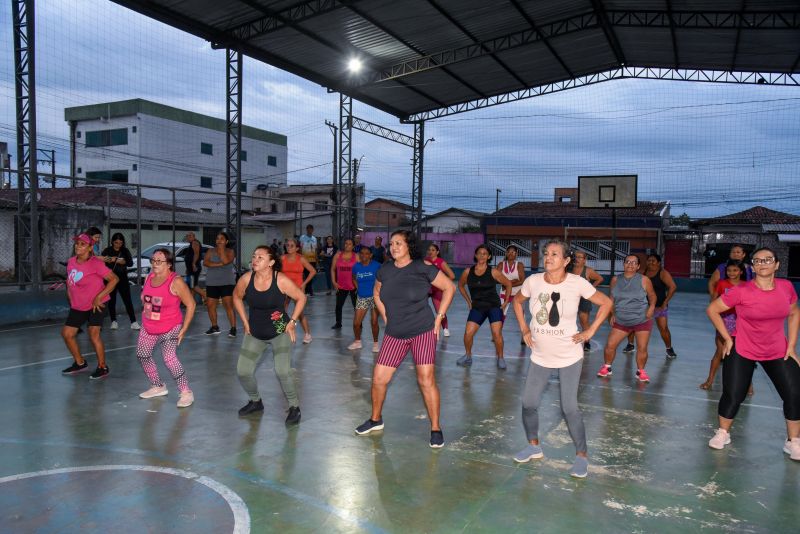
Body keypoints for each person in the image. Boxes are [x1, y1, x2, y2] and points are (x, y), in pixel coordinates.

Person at [511, 239, 612, 478]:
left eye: (555, 254)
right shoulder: (533, 281)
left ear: (566, 260)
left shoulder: (577, 283)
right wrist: (524, 328)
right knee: (528, 403)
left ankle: (581, 456)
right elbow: (517, 301)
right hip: (540, 356)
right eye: (546, 253)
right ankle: (534, 446)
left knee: (569, 408)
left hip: (569, 356)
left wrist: (590, 331)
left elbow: (606, 302)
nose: (548, 257)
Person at [355, 230, 455, 448]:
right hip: (395, 333)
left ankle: (435, 428)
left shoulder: (422, 267)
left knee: (426, 379)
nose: (393, 247)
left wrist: (439, 317)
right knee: (379, 379)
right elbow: (376, 293)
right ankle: (376, 419)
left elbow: (450, 287)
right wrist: (385, 315)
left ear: (409, 245)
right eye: (391, 244)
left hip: (422, 331)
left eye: (398, 243)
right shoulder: (385, 270)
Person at [706, 247, 800, 460]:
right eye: (758, 261)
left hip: (776, 348)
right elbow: (712, 309)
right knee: (734, 394)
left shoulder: (786, 287)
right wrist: (728, 338)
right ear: (753, 267)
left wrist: (792, 345)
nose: (762, 263)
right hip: (743, 347)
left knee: (794, 393)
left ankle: (793, 441)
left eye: (768, 259)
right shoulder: (742, 290)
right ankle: (723, 433)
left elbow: (794, 312)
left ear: (776, 264)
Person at [233, 246, 307, 424]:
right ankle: (255, 402)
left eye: (260, 257)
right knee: (243, 371)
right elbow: (236, 297)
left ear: (271, 262)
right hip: (255, 331)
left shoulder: (280, 280)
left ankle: (294, 407)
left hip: (280, 329)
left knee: (282, 371)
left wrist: (292, 321)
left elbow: (301, 297)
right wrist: (244, 321)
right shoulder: (246, 279)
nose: (255, 260)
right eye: (254, 256)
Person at [136, 248, 197, 408]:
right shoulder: (149, 277)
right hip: (149, 325)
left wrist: (184, 328)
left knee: (169, 358)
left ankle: (186, 392)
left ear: (169, 264)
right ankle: (158, 386)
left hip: (170, 326)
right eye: (153, 260)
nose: (154, 264)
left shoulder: (176, 282)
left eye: (159, 261)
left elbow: (191, 304)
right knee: (142, 354)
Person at [61, 233, 119, 379]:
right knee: (67, 334)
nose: (78, 246)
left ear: (90, 248)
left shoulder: (95, 264)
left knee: (93, 333)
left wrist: (99, 297)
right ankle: (80, 363)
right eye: (77, 243)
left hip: (96, 304)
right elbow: (70, 281)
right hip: (79, 304)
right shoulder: (71, 262)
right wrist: (70, 297)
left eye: (83, 244)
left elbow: (114, 279)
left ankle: (102, 367)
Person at [597, 254, 657, 382]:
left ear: (638, 266)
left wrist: (651, 307)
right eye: (628, 262)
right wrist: (612, 314)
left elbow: (652, 295)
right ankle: (607, 367)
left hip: (641, 319)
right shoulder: (615, 280)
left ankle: (641, 371)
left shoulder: (644, 279)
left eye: (634, 262)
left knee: (642, 347)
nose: (630, 264)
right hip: (621, 320)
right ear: (623, 264)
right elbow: (612, 299)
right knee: (610, 345)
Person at [457, 244, 513, 369]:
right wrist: (468, 301)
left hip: (494, 307)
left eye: (484, 254)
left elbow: (508, 284)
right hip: (477, 307)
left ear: (489, 256)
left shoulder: (493, 272)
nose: (482, 256)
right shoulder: (467, 272)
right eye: (479, 253)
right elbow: (460, 285)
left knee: (496, 333)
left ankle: (500, 358)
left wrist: (506, 301)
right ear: (475, 255)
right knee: (468, 333)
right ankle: (468, 356)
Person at [701, 260, 745, 390]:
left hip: (741, 321)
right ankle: (709, 380)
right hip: (724, 320)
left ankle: (748, 384)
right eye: (729, 270)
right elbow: (714, 300)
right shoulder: (721, 283)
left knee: (743, 353)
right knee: (720, 351)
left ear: (741, 272)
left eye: (735, 270)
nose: (732, 273)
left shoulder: (746, 286)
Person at [637, 253, 679, 359]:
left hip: (659, 306)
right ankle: (630, 344)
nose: (650, 262)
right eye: (649, 260)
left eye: (653, 261)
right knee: (634, 325)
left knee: (663, 328)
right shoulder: (642, 272)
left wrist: (665, 303)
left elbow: (673, 287)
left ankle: (669, 348)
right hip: (644, 306)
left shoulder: (663, 273)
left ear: (659, 263)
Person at [101, 232, 139, 331]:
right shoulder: (107, 250)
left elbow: (130, 263)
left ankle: (133, 322)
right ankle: (113, 321)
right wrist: (112, 260)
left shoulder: (125, 251)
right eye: (116, 243)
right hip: (110, 279)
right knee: (112, 300)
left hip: (123, 279)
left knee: (127, 300)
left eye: (120, 243)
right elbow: (101, 261)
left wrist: (123, 261)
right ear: (112, 242)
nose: (118, 245)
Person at [281, 238, 315, 344]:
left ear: (297, 248)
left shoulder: (301, 259)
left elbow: (313, 271)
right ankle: (283, 332)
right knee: (281, 311)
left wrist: (304, 284)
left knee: (299, 313)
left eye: (292, 246)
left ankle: (307, 335)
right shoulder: (282, 258)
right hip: (285, 288)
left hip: (297, 289)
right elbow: (276, 271)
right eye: (287, 245)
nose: (289, 247)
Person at [203, 231, 237, 337]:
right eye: (217, 238)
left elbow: (226, 261)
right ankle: (215, 327)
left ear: (226, 241)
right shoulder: (210, 251)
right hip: (212, 282)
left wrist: (221, 250)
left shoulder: (230, 251)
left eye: (222, 239)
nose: (219, 240)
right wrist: (219, 264)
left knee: (228, 306)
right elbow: (205, 262)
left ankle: (233, 328)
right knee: (210, 306)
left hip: (227, 282)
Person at [349, 246, 381, 352]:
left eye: (366, 253)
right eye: (361, 253)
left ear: (370, 255)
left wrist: (379, 290)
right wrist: (358, 288)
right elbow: (353, 278)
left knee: (374, 322)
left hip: (375, 297)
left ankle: (375, 344)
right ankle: (357, 342)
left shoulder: (377, 266)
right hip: (362, 297)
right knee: (356, 323)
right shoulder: (356, 266)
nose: (364, 255)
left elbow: (384, 279)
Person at [569, 251, 603, 351]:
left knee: (584, 321)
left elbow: (600, 279)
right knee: (567, 320)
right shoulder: (568, 269)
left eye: (580, 257)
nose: (576, 259)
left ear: (584, 260)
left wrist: (590, 288)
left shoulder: (588, 271)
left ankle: (587, 343)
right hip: (570, 298)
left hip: (584, 299)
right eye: (575, 257)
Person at [498, 245, 527, 345]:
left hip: (518, 294)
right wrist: (513, 281)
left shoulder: (519, 265)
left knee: (521, 314)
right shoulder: (501, 264)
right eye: (509, 252)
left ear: (516, 254)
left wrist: (507, 284)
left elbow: (522, 280)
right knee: (501, 313)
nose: (511, 254)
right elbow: (497, 278)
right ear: (506, 253)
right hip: (504, 293)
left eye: (513, 252)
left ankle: (524, 336)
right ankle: (497, 334)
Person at [426, 243, 456, 337]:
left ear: (437, 252)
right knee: (418, 306)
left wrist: (442, 283)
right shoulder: (425, 261)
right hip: (426, 289)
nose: (430, 252)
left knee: (440, 309)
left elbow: (452, 276)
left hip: (437, 290)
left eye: (433, 250)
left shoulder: (441, 262)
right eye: (429, 250)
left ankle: (445, 328)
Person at [331, 238, 358, 329]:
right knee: (338, 306)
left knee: (356, 306)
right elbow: (332, 269)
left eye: (350, 244)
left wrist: (359, 285)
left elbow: (361, 270)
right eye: (346, 243)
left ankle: (359, 323)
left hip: (354, 285)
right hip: (341, 285)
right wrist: (334, 282)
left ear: (353, 246)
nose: (347, 245)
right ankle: (338, 323)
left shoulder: (356, 256)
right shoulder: (338, 255)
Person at [299, 224, 318, 297]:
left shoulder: (314, 239)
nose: (309, 230)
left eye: (311, 229)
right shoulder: (302, 238)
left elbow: (315, 250)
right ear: (306, 230)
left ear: (313, 230)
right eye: (308, 229)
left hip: (313, 260)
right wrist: (300, 258)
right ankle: (308, 290)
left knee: (311, 275)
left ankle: (309, 290)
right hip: (305, 260)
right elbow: (300, 249)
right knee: (306, 275)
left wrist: (316, 259)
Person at [183, 231, 204, 300]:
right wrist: (188, 268)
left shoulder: (195, 242)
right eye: (187, 236)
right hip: (191, 268)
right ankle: (191, 302)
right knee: (191, 286)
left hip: (194, 268)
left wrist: (193, 264)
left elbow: (196, 254)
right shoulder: (191, 243)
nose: (188, 237)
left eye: (190, 236)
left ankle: (206, 296)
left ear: (194, 237)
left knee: (194, 286)